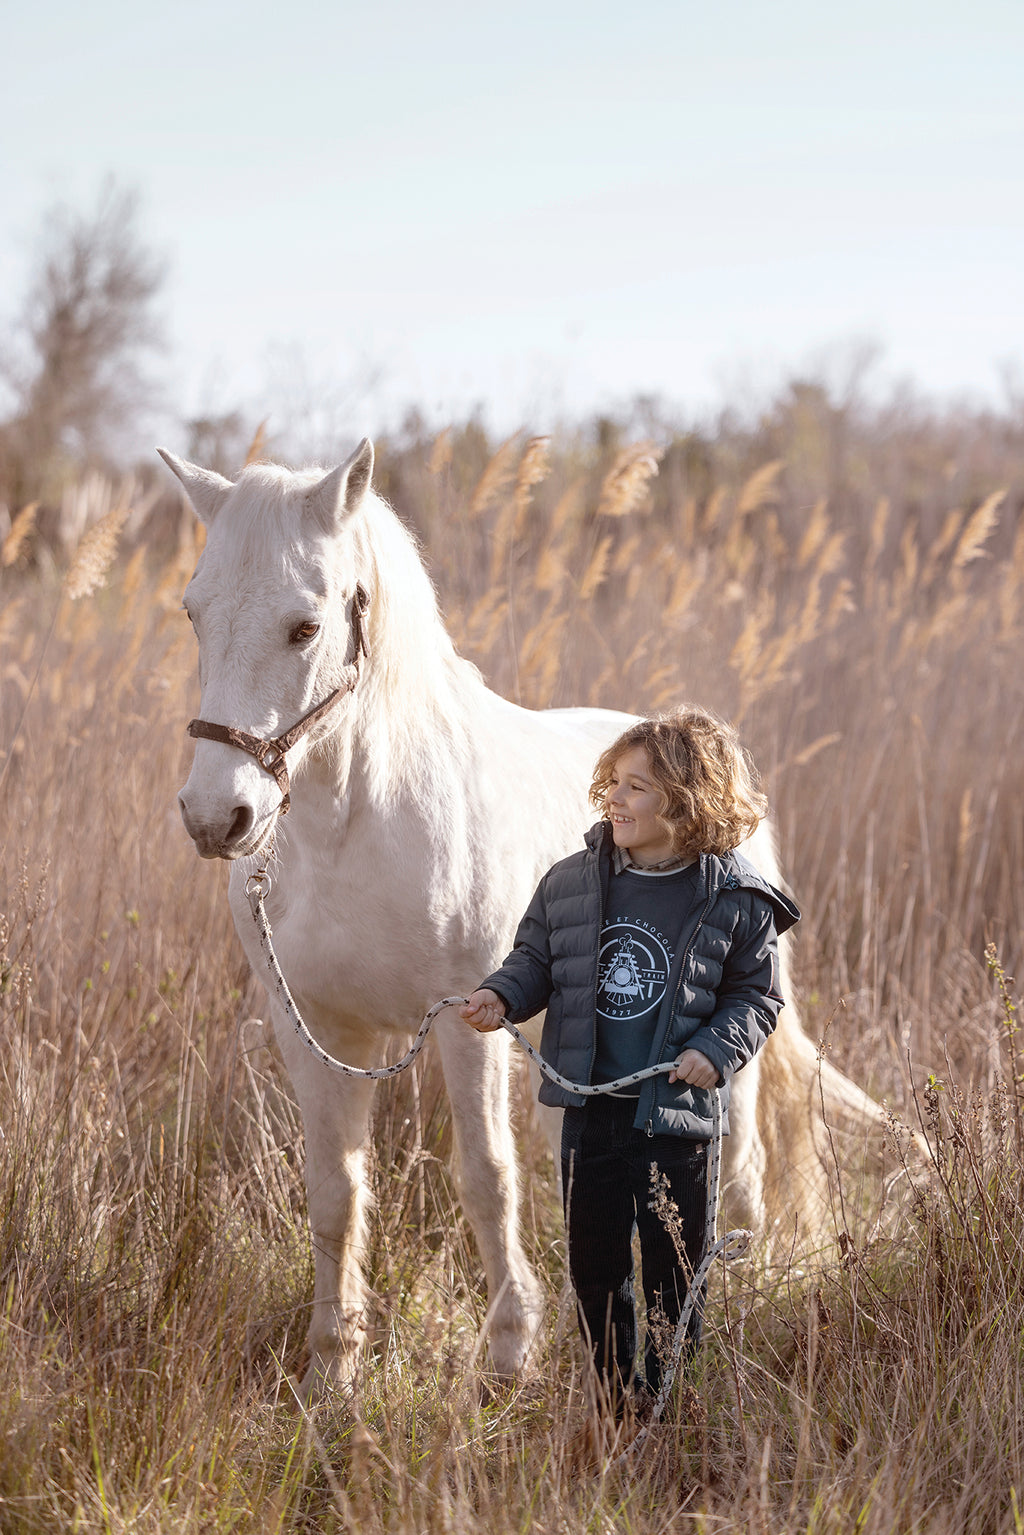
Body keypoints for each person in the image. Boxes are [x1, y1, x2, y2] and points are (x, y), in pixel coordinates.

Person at [460, 705, 799, 1416]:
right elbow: (535, 960)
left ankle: (671, 1398)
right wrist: (501, 994)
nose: (614, 796)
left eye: (636, 786)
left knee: (674, 1273)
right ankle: (615, 1400)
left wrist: (714, 1049)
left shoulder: (734, 898)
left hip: (677, 1117)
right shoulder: (570, 882)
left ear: (686, 799)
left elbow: (757, 998)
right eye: (612, 781)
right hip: (592, 1108)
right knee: (593, 1265)